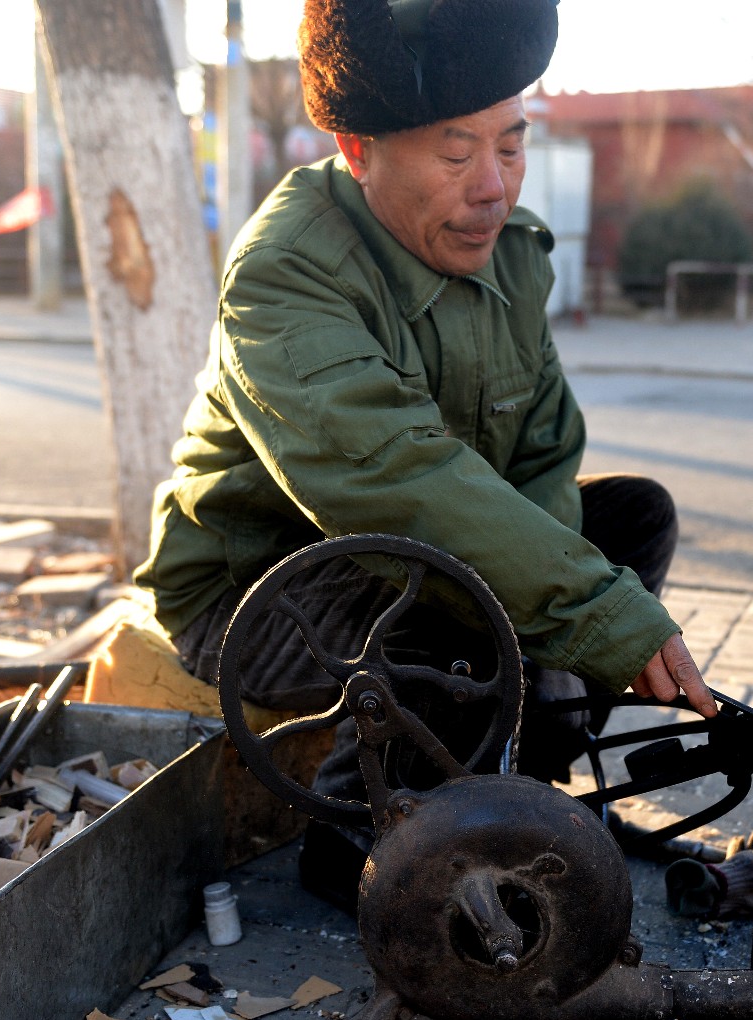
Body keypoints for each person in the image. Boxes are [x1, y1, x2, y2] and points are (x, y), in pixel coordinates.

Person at [135, 0, 715, 907]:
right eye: (456, 154)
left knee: (632, 518)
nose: (494, 187)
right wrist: (597, 619)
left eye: (512, 146)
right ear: (358, 149)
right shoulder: (287, 273)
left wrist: (565, 649)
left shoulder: (511, 255)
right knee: (460, 597)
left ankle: (519, 778)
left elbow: (543, 460)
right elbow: (400, 487)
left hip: (416, 550)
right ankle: (364, 842)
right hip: (254, 590)